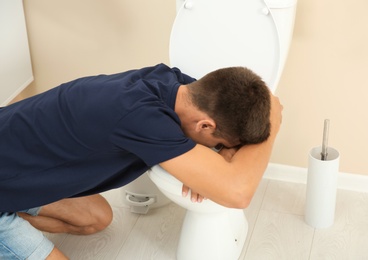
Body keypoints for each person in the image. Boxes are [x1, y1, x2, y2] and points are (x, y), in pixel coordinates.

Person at [0, 63, 283, 259]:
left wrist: (224, 153)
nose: (219, 150)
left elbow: (253, 108)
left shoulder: (175, 84)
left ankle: (15, 211)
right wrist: (274, 120)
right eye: (220, 144)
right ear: (205, 126)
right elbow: (238, 193)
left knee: (97, 219)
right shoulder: (141, 119)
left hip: (13, 162)